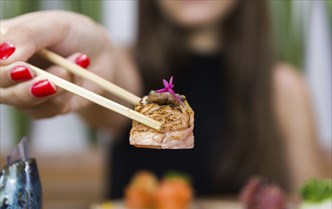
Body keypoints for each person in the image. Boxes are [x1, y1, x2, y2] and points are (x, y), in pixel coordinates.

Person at [0, 1, 323, 198]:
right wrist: (79, 42)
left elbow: (315, 205)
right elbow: (105, 76)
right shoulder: (129, 70)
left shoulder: (284, 88)